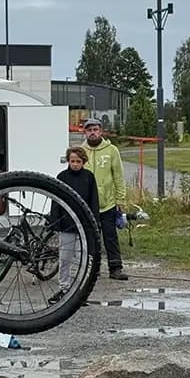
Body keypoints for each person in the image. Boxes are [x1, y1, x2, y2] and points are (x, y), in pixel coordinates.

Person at [49, 146, 99, 303]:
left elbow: (94, 201)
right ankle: (64, 289)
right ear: (68, 161)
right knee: (65, 258)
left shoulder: (89, 177)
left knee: (82, 259)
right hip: (66, 224)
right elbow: (55, 201)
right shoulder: (62, 177)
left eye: (78, 161)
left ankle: (80, 291)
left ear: (83, 162)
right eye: (72, 161)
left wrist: (94, 222)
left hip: (84, 225)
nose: (75, 164)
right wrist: (55, 222)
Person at [82, 117, 128, 280]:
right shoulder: (81, 151)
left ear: (101, 131)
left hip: (107, 203)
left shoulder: (111, 150)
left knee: (110, 237)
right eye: (89, 130)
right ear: (84, 132)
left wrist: (120, 200)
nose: (92, 133)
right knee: (90, 238)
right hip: (87, 204)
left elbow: (118, 177)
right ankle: (92, 269)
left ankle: (115, 268)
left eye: (95, 130)